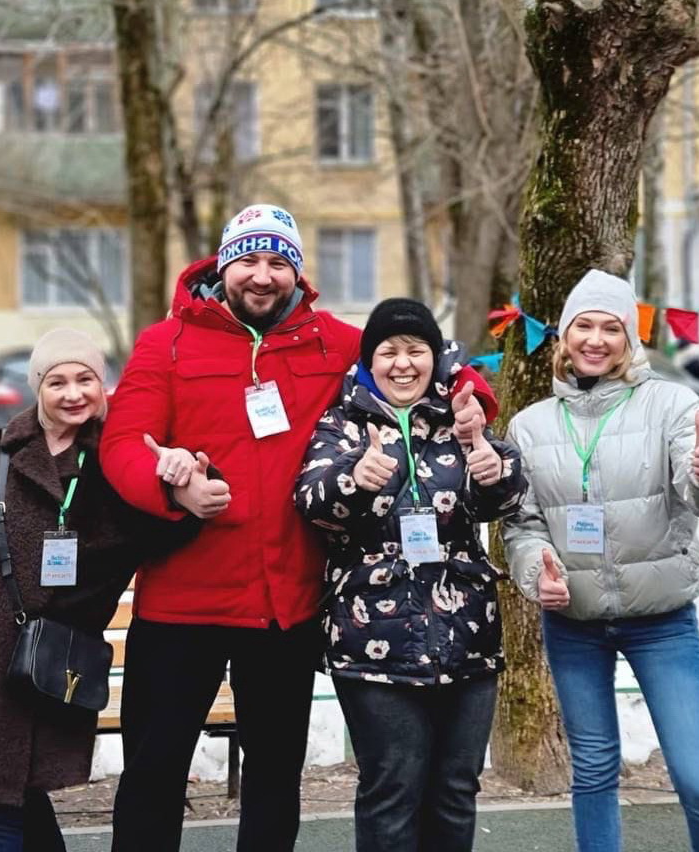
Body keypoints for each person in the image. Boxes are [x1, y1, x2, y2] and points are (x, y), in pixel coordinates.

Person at [99, 203, 499, 851]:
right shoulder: (165, 343)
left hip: (284, 607)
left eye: (277, 262)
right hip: (181, 605)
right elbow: (122, 445)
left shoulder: (335, 344)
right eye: (248, 261)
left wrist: (473, 402)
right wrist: (173, 489)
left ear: (297, 273)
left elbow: (429, 365)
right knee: (154, 773)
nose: (262, 276)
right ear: (223, 266)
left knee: (274, 779)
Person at [0, 328, 205, 852]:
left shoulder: (117, 463)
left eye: (85, 379)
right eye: (56, 381)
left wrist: (185, 479)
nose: (73, 393)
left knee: (20, 792)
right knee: (2, 797)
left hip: (55, 658)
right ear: (37, 389)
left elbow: (165, 533)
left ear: (103, 386)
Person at [503, 269, 699, 852]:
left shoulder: (670, 403)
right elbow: (521, 523)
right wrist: (539, 571)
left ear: (628, 339)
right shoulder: (528, 425)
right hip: (573, 626)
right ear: (562, 337)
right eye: (582, 325)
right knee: (592, 774)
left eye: (610, 327)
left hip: (662, 623)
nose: (595, 339)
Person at [295, 298, 526, 851]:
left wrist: (493, 469)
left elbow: (506, 487)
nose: (403, 363)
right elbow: (310, 499)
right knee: (392, 789)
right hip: (374, 642)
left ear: (434, 357)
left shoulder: (459, 416)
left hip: (468, 638)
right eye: (388, 351)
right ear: (369, 361)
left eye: (415, 350)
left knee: (454, 789)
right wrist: (357, 476)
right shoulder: (341, 422)